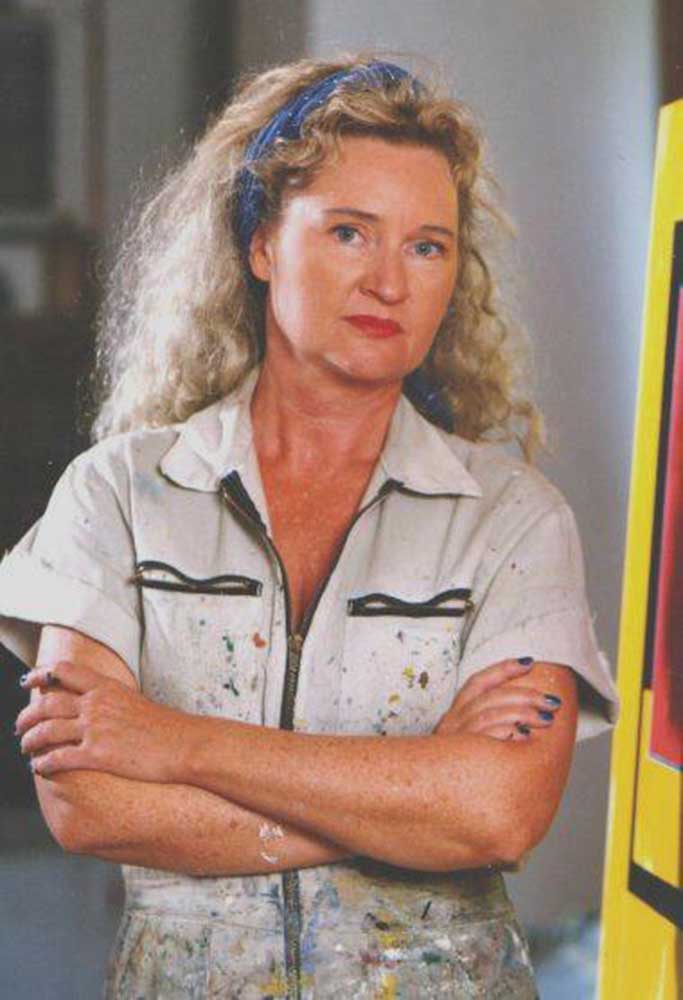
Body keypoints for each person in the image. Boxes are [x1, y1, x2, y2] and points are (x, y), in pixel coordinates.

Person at [1, 56, 618, 998]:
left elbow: (496, 815)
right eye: (347, 232)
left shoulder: (511, 515)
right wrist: (416, 796)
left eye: (427, 247)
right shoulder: (119, 493)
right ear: (260, 245)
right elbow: (88, 805)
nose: (388, 281)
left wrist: (176, 743)